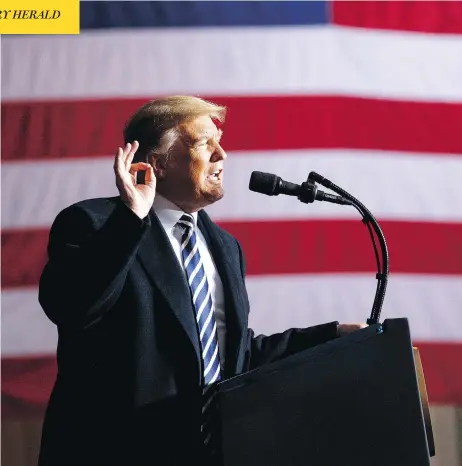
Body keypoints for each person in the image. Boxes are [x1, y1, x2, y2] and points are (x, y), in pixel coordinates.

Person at [37, 96, 366, 466]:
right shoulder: (94, 224)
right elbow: (72, 307)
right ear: (158, 164)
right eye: (203, 143)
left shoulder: (225, 247)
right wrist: (131, 220)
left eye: (219, 141)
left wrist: (333, 337)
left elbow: (233, 354)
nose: (221, 154)